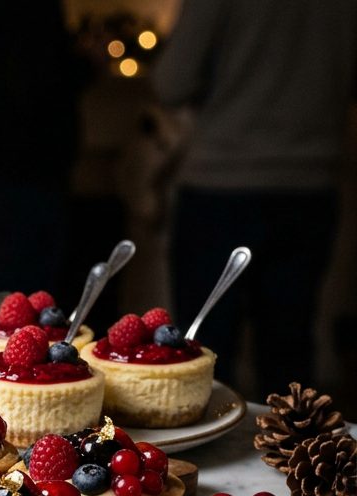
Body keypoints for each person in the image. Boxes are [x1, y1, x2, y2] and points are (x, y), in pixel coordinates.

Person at [153, 0, 357, 397]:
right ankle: (293, 457)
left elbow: (171, 82)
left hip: (221, 184)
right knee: (288, 352)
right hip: (310, 184)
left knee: (203, 356)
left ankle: (214, 458)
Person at [0, 0, 92, 305]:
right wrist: (85, 65)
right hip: (25, 170)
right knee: (21, 302)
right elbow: (34, 81)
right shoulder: (30, 11)